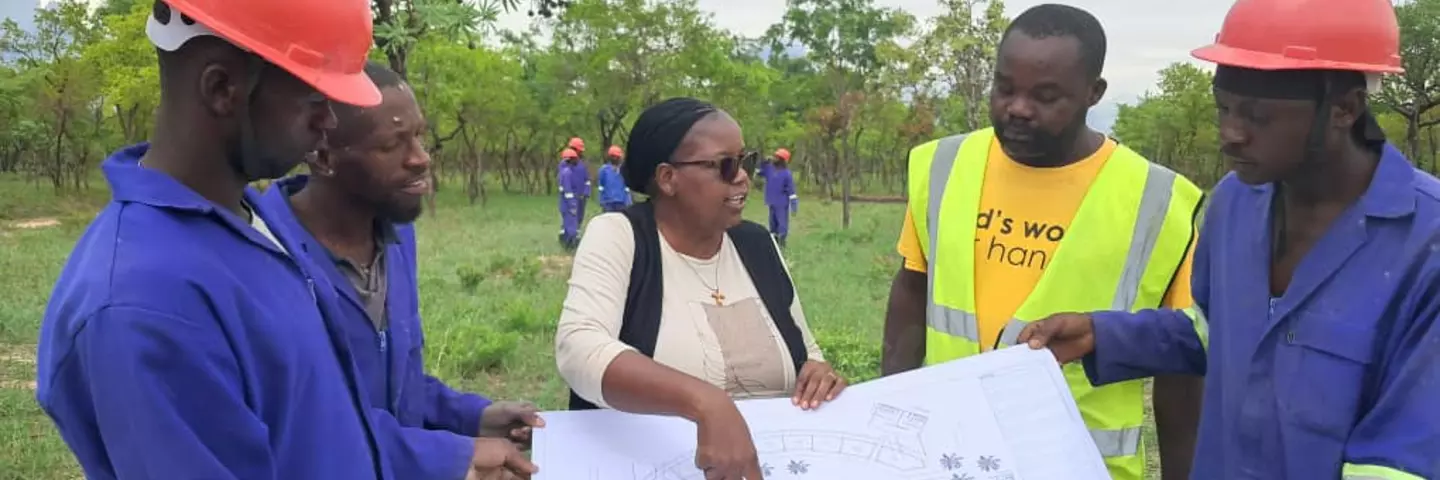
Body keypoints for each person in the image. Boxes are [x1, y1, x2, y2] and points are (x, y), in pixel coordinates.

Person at [1018, 0, 1439, 478]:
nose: (1230, 134)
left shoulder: (1426, 247)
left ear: (1344, 108)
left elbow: (1403, 460)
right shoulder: (1235, 203)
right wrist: (1104, 335)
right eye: (1223, 109)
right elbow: (1217, 331)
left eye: (1257, 117)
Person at [34, 1, 393, 478]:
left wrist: (448, 455)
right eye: (314, 98)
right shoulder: (142, 306)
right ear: (223, 88)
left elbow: (312, 423)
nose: (329, 121)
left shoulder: (250, 220)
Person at [880, 5, 1203, 480]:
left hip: (1081, 465)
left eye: (1046, 97)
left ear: (1094, 93)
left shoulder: (1158, 202)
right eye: (1004, 88)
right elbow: (912, 289)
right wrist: (888, 420)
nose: (1018, 109)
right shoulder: (944, 166)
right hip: (949, 457)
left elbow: (1181, 364)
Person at [258, 61, 541, 480]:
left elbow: (395, 386)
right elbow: (305, 424)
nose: (421, 159)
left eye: (420, 136)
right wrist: (446, 456)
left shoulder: (395, 236)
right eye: (393, 145)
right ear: (321, 155)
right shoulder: (264, 255)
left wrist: (472, 416)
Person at [556, 97, 846, 480]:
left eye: (746, 161)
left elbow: (804, 351)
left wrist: (816, 372)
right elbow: (580, 348)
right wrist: (706, 403)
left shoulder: (757, 244)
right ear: (667, 178)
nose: (742, 176)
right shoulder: (620, 235)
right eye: (725, 165)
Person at [763, 148, 798, 247]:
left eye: (777, 157)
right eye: (774, 156)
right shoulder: (769, 169)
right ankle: (774, 243)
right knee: (772, 224)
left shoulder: (787, 174)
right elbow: (761, 172)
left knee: (782, 224)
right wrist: (764, 162)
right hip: (771, 202)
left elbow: (791, 191)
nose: (774, 158)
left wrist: (794, 206)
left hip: (782, 204)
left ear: (782, 160)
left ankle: (782, 243)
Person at [558, 147, 584, 250]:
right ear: (570, 159)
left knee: (567, 224)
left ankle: (566, 244)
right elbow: (568, 191)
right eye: (575, 158)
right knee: (571, 225)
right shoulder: (567, 173)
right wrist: (572, 205)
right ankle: (570, 246)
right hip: (568, 204)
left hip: (564, 204)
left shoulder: (563, 171)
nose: (577, 160)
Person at [598, 144, 632, 212]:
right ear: (610, 157)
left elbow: (627, 187)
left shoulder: (624, 170)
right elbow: (601, 186)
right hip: (608, 202)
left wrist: (628, 200)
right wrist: (601, 200)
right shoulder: (604, 170)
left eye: (617, 157)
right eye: (613, 156)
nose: (615, 158)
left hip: (621, 202)